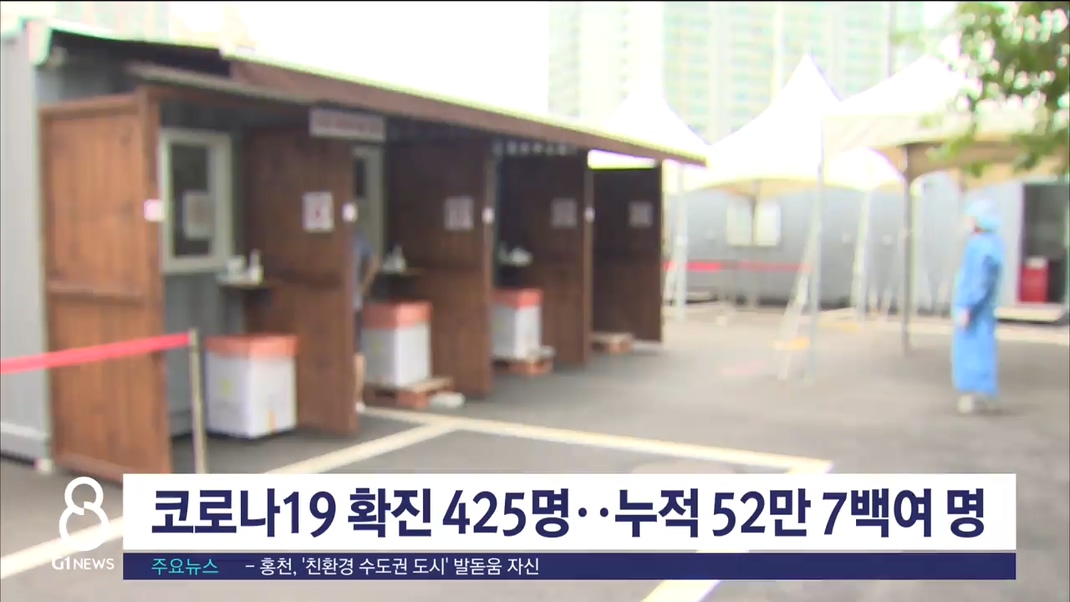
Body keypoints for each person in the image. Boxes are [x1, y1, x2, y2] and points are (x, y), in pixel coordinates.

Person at [951, 199, 1004, 415]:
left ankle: (974, 396)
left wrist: (967, 307)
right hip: (984, 309)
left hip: (975, 310)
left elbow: (978, 281)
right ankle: (984, 393)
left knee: (971, 351)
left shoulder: (978, 246)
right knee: (983, 349)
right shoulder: (994, 244)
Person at [352, 215, 381, 409]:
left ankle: (350, 397)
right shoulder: (357, 237)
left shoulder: (332, 238)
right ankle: (357, 398)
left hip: (337, 305)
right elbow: (374, 261)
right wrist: (363, 287)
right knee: (356, 351)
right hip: (354, 302)